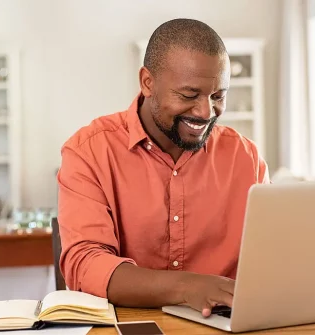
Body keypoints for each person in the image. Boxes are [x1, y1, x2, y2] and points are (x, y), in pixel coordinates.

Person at [57, 18, 270, 317]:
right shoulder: (88, 152)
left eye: (218, 96)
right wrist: (187, 287)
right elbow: (85, 264)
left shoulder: (246, 158)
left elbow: (269, 261)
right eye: (188, 95)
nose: (205, 112)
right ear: (147, 82)